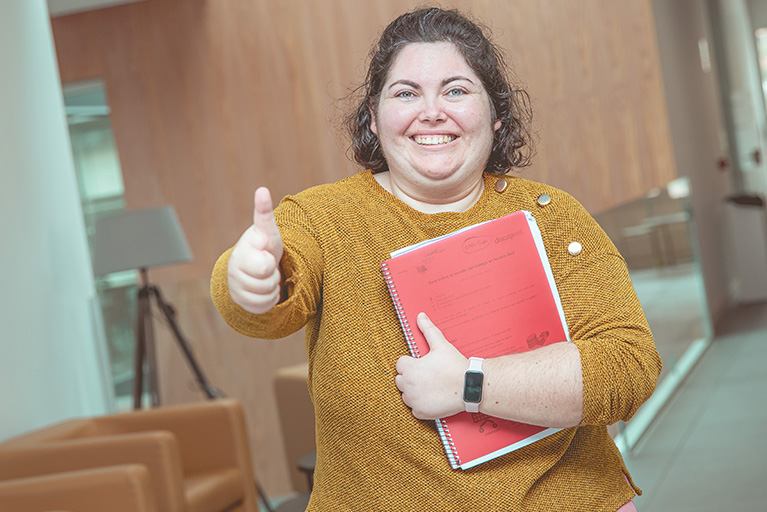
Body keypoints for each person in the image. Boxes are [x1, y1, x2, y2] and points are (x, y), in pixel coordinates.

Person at [211, 7, 661, 511]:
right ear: (375, 121)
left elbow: (628, 367)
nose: (431, 111)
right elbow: (269, 302)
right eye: (405, 93)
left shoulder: (551, 217)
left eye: (456, 90)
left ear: (495, 115)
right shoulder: (323, 221)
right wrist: (251, 277)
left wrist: (470, 383)